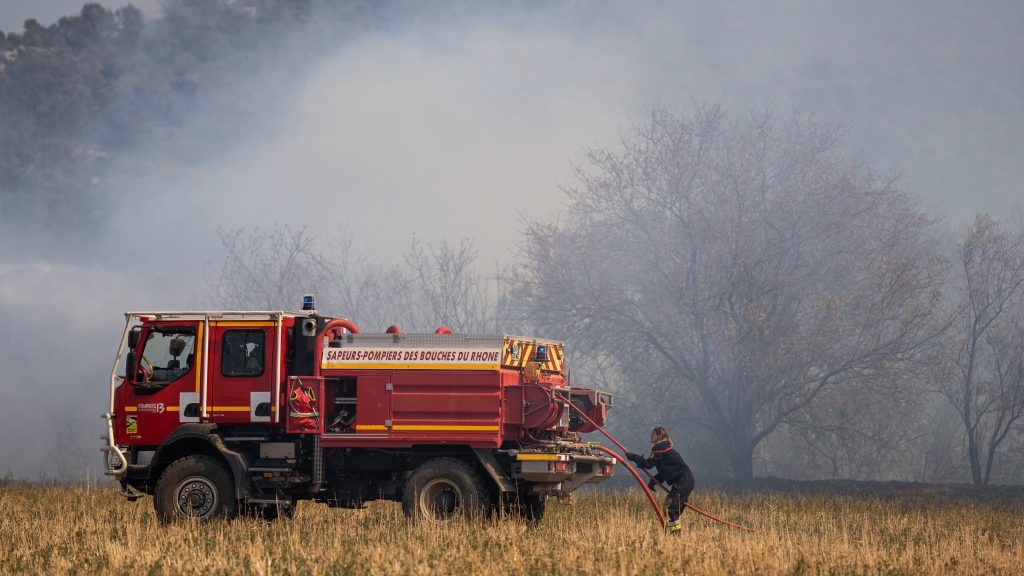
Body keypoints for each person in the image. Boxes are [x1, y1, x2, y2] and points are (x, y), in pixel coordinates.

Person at [626, 426, 694, 534]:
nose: (650, 436)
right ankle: (675, 533)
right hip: (686, 480)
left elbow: (647, 464)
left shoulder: (659, 448)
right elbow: (666, 470)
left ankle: (676, 534)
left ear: (659, 436)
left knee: (670, 508)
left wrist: (633, 457)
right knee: (673, 510)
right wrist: (653, 481)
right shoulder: (663, 448)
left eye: (653, 434)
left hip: (683, 481)